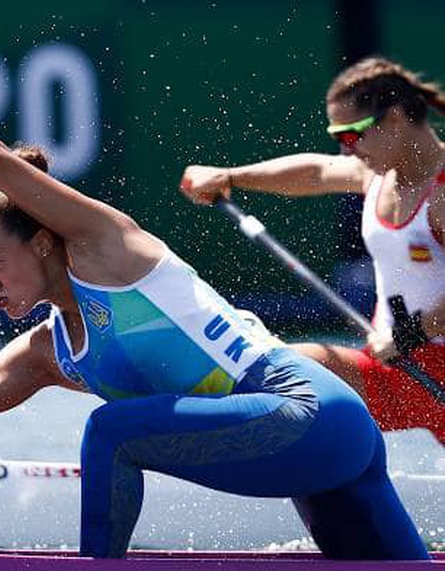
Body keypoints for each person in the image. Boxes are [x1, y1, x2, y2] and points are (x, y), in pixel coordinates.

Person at [0, 15, 429, 561]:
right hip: (307, 452)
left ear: (41, 240)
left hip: (310, 412)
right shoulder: (47, 351)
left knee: (110, 429)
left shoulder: (108, 248)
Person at [180, 56, 445, 443]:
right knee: (282, 370)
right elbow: (316, 172)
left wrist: (406, 335)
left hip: (424, 364)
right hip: (399, 369)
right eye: (338, 137)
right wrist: (231, 177)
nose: (346, 151)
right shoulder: (375, 176)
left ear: (393, 118)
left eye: (351, 135)